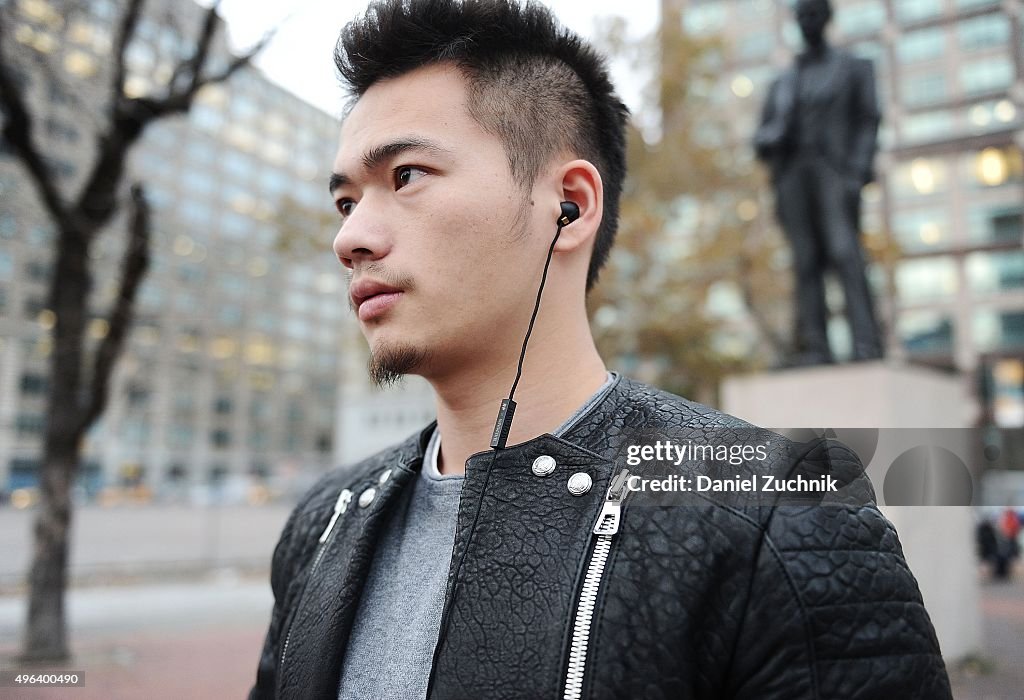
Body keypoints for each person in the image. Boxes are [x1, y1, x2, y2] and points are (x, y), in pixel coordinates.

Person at [250, 1, 951, 698]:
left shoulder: (780, 518)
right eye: (345, 202)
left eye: (406, 175)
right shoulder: (325, 522)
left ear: (572, 206)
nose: (350, 239)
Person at [754, 0, 884, 365]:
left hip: (835, 173)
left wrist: (857, 173)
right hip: (794, 177)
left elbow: (869, 120)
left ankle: (867, 343)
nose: (807, 21)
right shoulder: (783, 80)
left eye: (813, 14)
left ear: (827, 18)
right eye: (801, 15)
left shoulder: (856, 68)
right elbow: (760, 138)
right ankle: (816, 346)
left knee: (846, 253)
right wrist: (774, 135)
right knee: (805, 260)